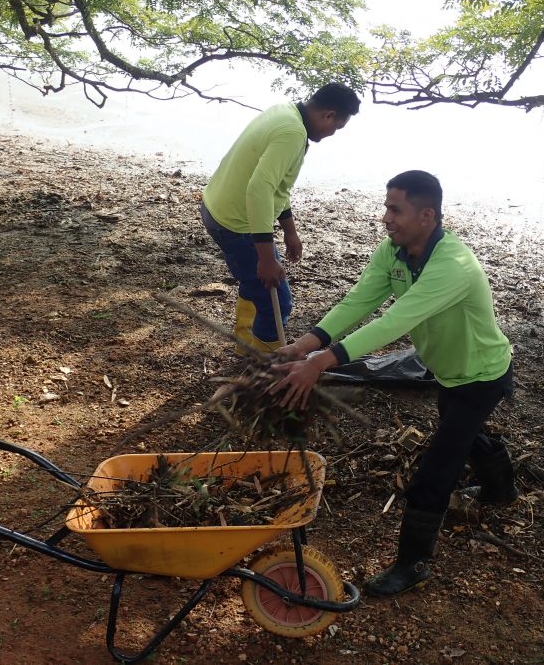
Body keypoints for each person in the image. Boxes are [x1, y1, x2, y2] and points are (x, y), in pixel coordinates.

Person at [272, 170, 519, 596]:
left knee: (436, 471)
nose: (385, 218)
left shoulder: (453, 265)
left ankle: (413, 564)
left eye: (395, 209)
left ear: (426, 216)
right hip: (449, 373)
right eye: (386, 207)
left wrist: (322, 363)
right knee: (463, 434)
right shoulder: (394, 252)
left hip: (482, 376)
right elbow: (360, 300)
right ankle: (502, 490)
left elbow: (395, 321)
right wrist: (303, 345)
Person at [201, 83, 360, 353]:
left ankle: (244, 344)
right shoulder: (292, 132)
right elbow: (260, 188)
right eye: (337, 128)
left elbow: (277, 185)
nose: (333, 134)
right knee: (278, 300)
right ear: (329, 115)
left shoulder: (285, 111)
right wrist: (265, 258)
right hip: (235, 222)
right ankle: (264, 366)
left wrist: (290, 230)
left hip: (215, 206)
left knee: (254, 283)